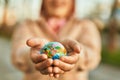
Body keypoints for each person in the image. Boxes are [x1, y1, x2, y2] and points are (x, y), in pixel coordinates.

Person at [12, 0, 101, 80]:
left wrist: (77, 54)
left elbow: (93, 55)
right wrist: (31, 54)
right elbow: (18, 54)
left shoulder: (85, 25)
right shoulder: (28, 25)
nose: (57, 0)